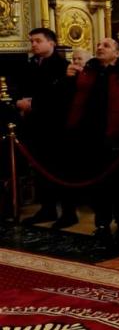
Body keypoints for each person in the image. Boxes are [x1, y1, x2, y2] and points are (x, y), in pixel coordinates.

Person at [64, 38, 119, 243]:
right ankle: (102, 224)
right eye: (99, 45)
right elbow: (75, 100)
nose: (99, 47)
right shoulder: (88, 73)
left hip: (117, 137)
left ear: (118, 53)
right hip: (91, 136)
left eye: (106, 45)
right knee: (98, 185)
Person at [16, 28, 71, 227]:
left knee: (60, 170)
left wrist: (34, 104)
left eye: (38, 41)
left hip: (55, 127)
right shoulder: (31, 65)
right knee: (40, 169)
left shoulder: (63, 66)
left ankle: (68, 211)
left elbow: (60, 97)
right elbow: (22, 88)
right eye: (31, 41)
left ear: (52, 43)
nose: (34, 45)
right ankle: (47, 208)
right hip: (35, 126)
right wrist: (20, 102)